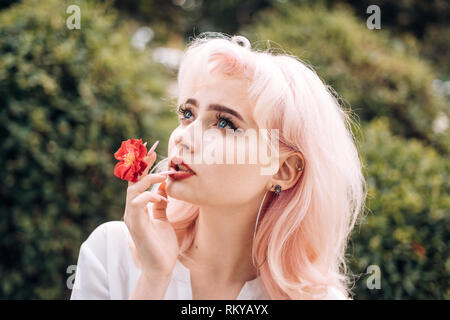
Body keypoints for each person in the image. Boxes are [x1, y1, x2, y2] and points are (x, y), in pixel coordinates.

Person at [70, 33, 366, 300]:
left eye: (224, 123)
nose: (185, 137)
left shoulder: (317, 298)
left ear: (283, 171)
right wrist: (153, 279)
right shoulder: (111, 252)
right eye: (187, 113)